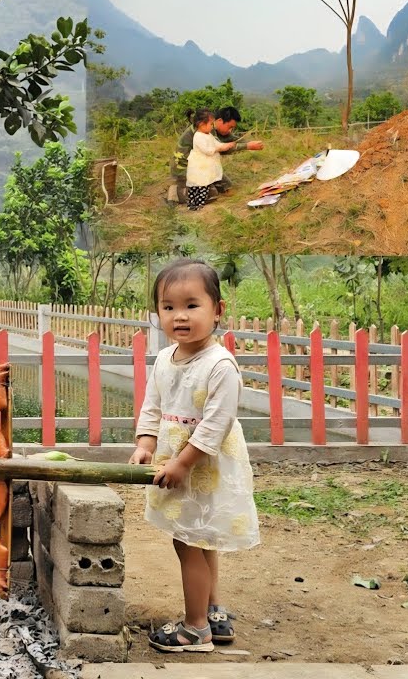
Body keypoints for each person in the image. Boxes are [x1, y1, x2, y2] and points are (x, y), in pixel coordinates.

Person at [128, 258, 260, 652]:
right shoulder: (166, 359)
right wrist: (146, 444)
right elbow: (152, 405)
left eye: (191, 305)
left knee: (190, 543)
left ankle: (196, 627)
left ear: (217, 310)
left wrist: (182, 463)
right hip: (176, 461)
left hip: (205, 467)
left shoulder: (220, 365)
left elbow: (215, 426)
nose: (179, 316)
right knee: (201, 540)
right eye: (168, 307)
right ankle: (214, 611)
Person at [167, 106, 265, 204]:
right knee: (211, 194)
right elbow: (221, 149)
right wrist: (247, 146)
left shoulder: (210, 125)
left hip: (201, 165)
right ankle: (176, 193)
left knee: (226, 186)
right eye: (230, 127)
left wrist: (249, 142)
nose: (230, 130)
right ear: (219, 121)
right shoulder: (205, 128)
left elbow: (230, 138)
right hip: (184, 168)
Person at [184, 109, 237, 211]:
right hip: (199, 168)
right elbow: (208, 150)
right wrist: (221, 148)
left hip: (205, 167)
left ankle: (197, 206)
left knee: (203, 187)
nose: (213, 126)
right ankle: (195, 207)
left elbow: (216, 144)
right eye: (211, 124)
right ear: (202, 124)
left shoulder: (208, 135)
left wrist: (226, 145)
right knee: (199, 187)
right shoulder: (198, 136)